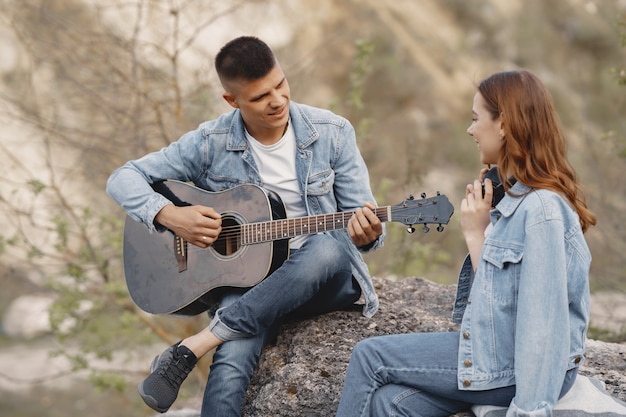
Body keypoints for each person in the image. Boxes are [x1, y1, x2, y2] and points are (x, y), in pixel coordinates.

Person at [106, 36, 385, 415]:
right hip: (252, 282)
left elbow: (361, 227)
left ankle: (196, 345)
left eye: (281, 84)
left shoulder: (332, 132)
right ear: (232, 101)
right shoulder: (211, 142)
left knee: (329, 245)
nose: (277, 101)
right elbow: (123, 178)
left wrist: (368, 234)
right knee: (233, 355)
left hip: (325, 281)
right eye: (259, 97)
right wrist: (170, 215)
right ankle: (219, 337)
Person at [335, 69, 597, 416]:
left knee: (369, 357)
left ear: (503, 124)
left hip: (518, 366)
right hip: (501, 350)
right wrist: (479, 232)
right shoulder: (513, 201)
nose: (471, 130)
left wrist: (529, 411)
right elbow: (496, 305)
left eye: (476, 119)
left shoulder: (543, 211)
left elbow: (542, 328)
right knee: (392, 403)